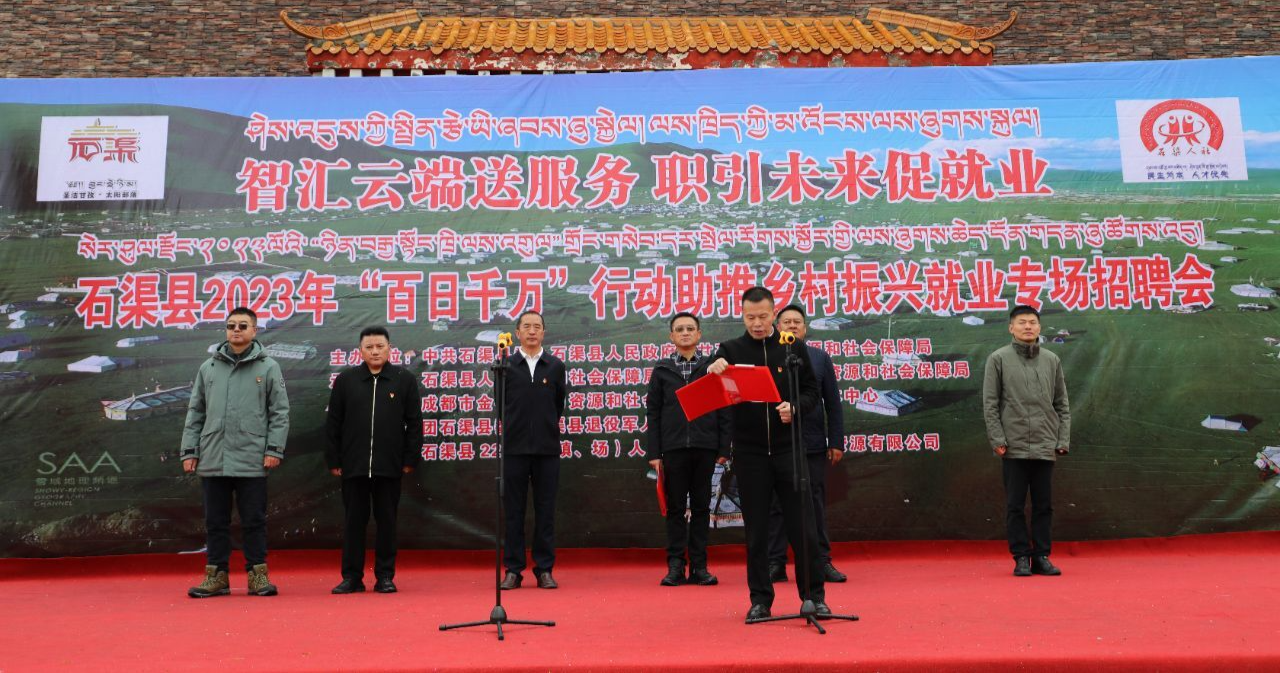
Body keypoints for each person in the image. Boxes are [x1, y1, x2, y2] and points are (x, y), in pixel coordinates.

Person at [707, 286, 827, 622]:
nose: (757, 323)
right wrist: (713, 368)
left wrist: (795, 407)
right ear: (742, 315)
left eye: (763, 316)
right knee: (756, 532)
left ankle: (814, 597)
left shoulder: (792, 347)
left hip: (790, 450)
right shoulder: (730, 350)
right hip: (750, 453)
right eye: (750, 317)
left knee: (803, 528)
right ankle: (760, 599)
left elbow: (812, 391)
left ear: (774, 314)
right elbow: (711, 389)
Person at [181, 306, 290, 598]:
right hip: (213, 457)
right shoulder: (208, 368)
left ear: (255, 330)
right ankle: (216, 577)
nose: (236, 330)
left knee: (254, 520)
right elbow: (195, 412)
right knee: (215, 522)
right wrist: (190, 451)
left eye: (243, 325)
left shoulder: (268, 367)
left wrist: (274, 449)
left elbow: (279, 413)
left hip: (252, 457)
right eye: (231, 325)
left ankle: (258, 577)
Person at [326, 326, 424, 594]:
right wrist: (334, 459)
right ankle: (352, 577)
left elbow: (415, 423)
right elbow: (333, 423)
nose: (375, 351)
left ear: (389, 348)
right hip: (353, 465)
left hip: (389, 465)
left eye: (380, 346)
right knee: (353, 523)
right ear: (360, 351)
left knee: (387, 522)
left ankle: (385, 576)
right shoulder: (346, 380)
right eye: (369, 347)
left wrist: (410, 459)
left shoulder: (404, 379)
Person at [982, 305, 1071, 577]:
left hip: (1045, 443)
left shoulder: (1051, 360)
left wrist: (1062, 439)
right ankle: (1021, 556)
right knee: (1015, 505)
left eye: (1032, 322)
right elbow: (990, 404)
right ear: (1011, 327)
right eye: (1022, 322)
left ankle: (1042, 556)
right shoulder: (998, 359)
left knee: (1044, 505)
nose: (1028, 326)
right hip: (1013, 444)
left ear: (1039, 327)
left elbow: (1062, 404)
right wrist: (997, 438)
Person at [645, 312, 731, 587]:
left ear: (699, 334)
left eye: (690, 329)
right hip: (673, 448)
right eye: (679, 329)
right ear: (671, 336)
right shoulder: (662, 370)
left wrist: (723, 447)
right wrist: (654, 453)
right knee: (675, 508)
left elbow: (724, 408)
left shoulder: (711, 367)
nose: (685, 333)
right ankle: (675, 566)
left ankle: (699, 566)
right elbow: (653, 412)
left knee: (703, 508)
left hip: (705, 447)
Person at [767, 304, 847, 585]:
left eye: (797, 322)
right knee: (776, 504)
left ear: (805, 328)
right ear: (777, 327)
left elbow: (832, 404)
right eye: (786, 321)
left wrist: (835, 441)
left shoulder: (819, 357)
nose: (792, 326)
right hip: (776, 443)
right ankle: (775, 562)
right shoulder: (766, 356)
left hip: (811, 443)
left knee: (814, 504)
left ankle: (821, 561)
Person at [499, 310, 567, 590]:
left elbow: (558, 404)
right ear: (517, 333)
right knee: (513, 512)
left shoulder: (555, 366)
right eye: (526, 326)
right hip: (514, 449)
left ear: (543, 332)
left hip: (546, 449)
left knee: (545, 511)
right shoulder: (505, 365)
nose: (531, 331)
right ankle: (513, 570)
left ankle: (544, 569)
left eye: (537, 327)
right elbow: (500, 405)